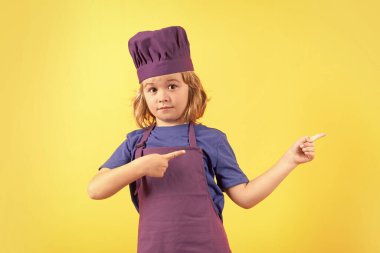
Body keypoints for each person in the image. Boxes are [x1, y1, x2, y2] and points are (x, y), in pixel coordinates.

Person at [87, 26, 326, 253]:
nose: (162, 97)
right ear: (144, 96)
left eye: (172, 85)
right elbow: (96, 190)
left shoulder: (211, 139)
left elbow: (245, 197)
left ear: (191, 88)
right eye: (152, 89)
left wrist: (289, 161)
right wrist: (139, 167)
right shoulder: (135, 143)